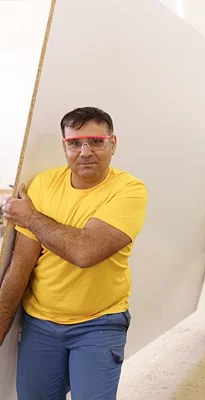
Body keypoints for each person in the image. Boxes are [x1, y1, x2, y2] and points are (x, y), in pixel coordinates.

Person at [0, 106, 148, 399]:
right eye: (74, 143)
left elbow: (85, 252)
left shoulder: (129, 190)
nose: (85, 152)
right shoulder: (42, 185)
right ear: (64, 146)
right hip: (40, 323)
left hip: (99, 323)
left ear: (113, 143)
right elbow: (21, 266)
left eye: (96, 141)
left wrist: (30, 218)